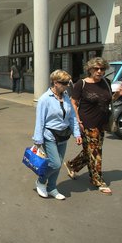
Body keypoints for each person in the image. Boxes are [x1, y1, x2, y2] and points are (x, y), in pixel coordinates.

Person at [65, 57, 122, 195]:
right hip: (87, 123)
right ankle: (98, 180)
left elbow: (106, 99)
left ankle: (73, 165)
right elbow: (73, 102)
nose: (99, 71)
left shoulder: (106, 82)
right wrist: (78, 120)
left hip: (101, 123)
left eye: (102, 69)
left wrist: (117, 95)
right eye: (96, 69)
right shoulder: (82, 84)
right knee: (96, 152)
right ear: (90, 69)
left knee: (91, 150)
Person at [32, 70, 82, 199]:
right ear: (55, 82)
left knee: (58, 163)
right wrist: (37, 139)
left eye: (68, 83)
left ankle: (52, 187)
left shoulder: (65, 97)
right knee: (55, 163)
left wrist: (77, 134)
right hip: (49, 135)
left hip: (63, 135)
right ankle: (41, 181)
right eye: (64, 83)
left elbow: (71, 118)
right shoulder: (44, 99)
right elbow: (40, 120)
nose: (67, 85)